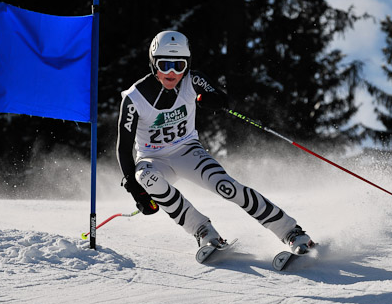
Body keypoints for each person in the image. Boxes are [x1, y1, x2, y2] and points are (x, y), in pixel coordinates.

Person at [116, 30, 314, 254]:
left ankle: (292, 232)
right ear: (153, 64)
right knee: (145, 178)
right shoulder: (134, 98)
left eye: (179, 66)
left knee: (227, 187)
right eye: (164, 65)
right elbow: (124, 147)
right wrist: (135, 189)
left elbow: (220, 98)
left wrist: (213, 101)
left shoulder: (193, 79)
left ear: (187, 65)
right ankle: (203, 231)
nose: (171, 72)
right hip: (153, 159)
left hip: (187, 151)